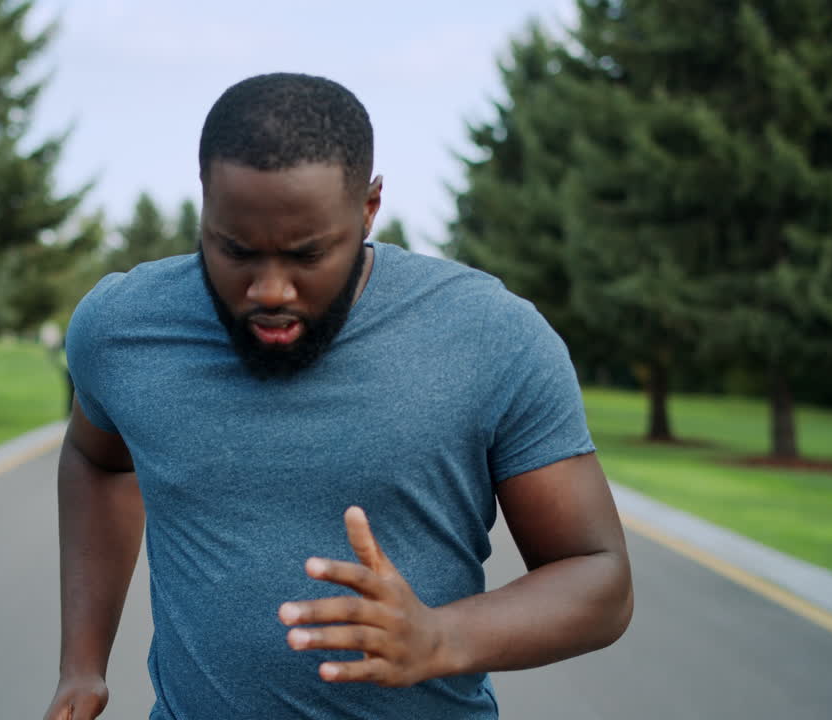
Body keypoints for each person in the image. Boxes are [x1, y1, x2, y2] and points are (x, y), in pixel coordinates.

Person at [45, 73, 632, 720]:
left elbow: (599, 576)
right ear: (205, 202)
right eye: (236, 250)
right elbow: (97, 461)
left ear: (369, 207)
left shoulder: (493, 336)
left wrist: (443, 638)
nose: (270, 290)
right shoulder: (122, 330)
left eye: (307, 255)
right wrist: (82, 664)